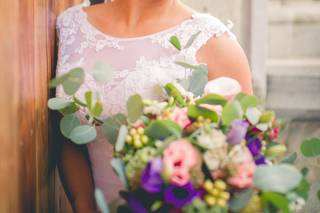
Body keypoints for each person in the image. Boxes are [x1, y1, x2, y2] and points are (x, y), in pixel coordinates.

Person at [55, 0, 253, 212]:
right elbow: (68, 132)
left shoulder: (215, 43)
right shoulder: (71, 26)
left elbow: (242, 166)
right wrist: (83, 204)